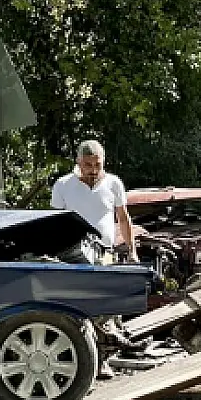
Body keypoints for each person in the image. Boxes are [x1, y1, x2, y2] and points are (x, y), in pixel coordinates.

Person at [51, 140, 136, 377]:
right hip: (74, 256)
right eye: (87, 165)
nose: (92, 170)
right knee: (85, 307)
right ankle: (88, 359)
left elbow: (123, 217)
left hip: (106, 252)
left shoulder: (113, 183)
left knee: (110, 305)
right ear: (78, 162)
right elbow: (57, 223)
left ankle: (105, 359)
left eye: (97, 165)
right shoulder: (63, 186)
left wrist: (132, 250)